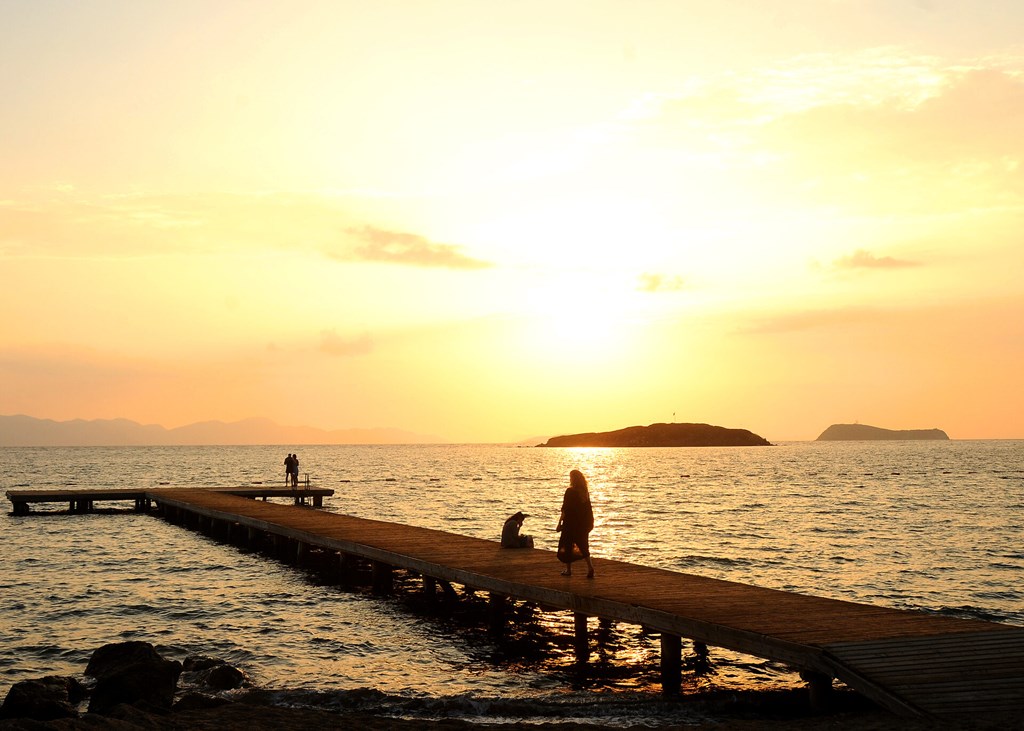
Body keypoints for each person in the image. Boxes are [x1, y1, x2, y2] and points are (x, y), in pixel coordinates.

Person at [556, 469, 595, 578]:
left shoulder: (570, 491)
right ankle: (590, 567)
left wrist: (559, 523)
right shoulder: (584, 492)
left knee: (567, 545)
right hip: (582, 524)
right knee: (583, 546)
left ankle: (568, 570)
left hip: (570, 524)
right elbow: (588, 510)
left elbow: (565, 509)